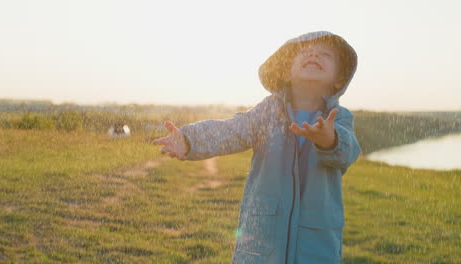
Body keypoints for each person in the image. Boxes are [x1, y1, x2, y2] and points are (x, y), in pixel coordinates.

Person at [153, 30, 361, 264]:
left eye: (325, 54)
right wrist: (189, 140)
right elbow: (232, 130)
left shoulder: (339, 118)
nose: (313, 54)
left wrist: (329, 139)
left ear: (340, 79)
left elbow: (348, 152)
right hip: (263, 237)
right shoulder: (268, 113)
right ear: (286, 71)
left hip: (316, 244)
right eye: (304, 52)